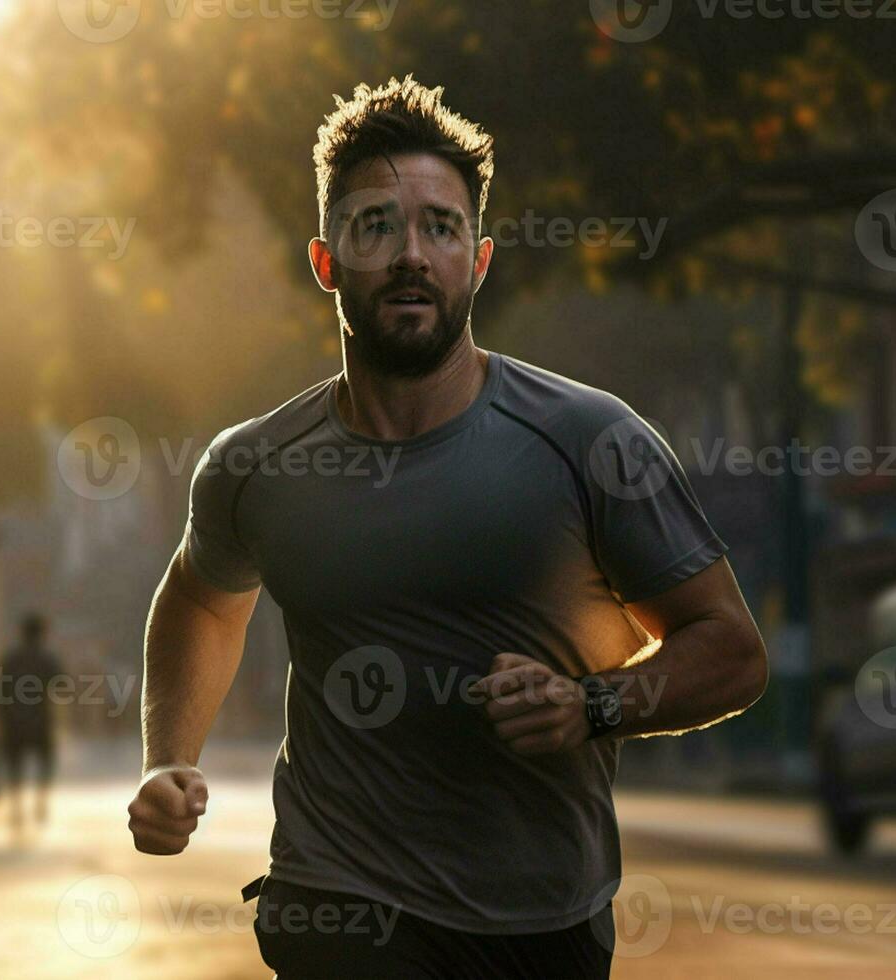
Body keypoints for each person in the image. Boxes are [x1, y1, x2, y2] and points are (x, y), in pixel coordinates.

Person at [128, 75, 769, 978]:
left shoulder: (590, 440)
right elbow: (199, 600)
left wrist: (593, 706)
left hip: (537, 919)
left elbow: (732, 649)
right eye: (375, 226)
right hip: (338, 903)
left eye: (440, 226)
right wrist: (166, 761)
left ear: (479, 258)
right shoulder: (255, 464)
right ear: (327, 262)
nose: (410, 254)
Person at [0, 613, 64, 830]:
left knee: (15, 766)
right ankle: (40, 801)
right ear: (41, 634)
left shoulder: (11, 659)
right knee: (45, 762)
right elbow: (62, 684)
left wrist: (2, 716)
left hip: (13, 721)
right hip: (39, 719)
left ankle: (17, 807)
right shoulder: (46, 658)